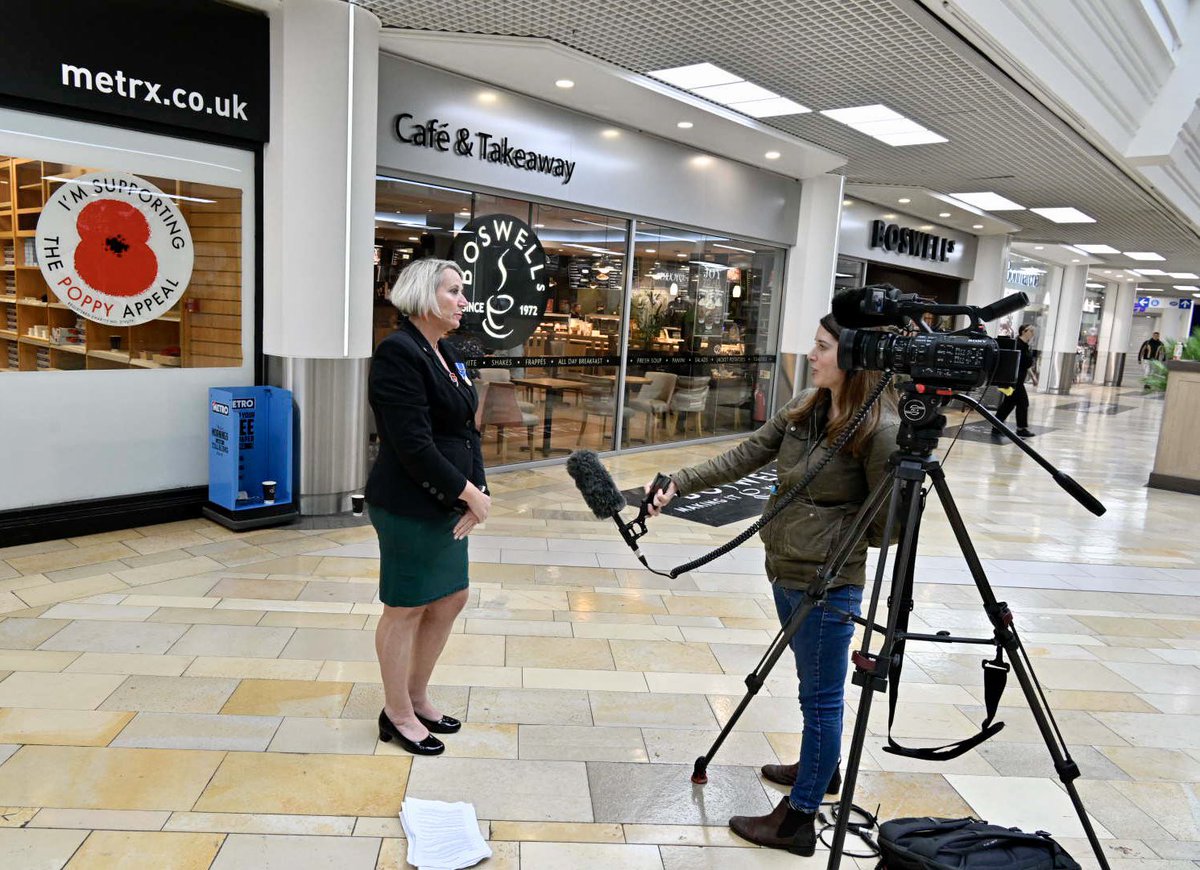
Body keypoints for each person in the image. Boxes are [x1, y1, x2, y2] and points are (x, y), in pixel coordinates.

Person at [644, 313, 898, 856]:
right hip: (785, 566)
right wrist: (677, 483)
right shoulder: (807, 405)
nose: (811, 354)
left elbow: (886, 526)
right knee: (813, 690)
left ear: (853, 359)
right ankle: (818, 771)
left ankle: (798, 821)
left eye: (823, 346)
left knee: (821, 699)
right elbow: (745, 455)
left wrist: (824, 530)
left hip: (828, 582)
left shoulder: (880, 428)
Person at [365, 258, 490, 756]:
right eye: (453, 292)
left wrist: (479, 488)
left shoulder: (449, 352)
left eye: (462, 293)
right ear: (423, 296)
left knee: (450, 597)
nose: (463, 301)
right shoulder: (399, 353)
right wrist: (467, 493)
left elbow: (466, 429)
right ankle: (395, 712)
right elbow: (413, 445)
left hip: (449, 500)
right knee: (406, 606)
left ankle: (416, 696)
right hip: (408, 504)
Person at [993, 324, 1038, 438]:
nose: (1033, 333)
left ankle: (996, 426)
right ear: (1024, 331)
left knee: (1009, 404)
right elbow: (1022, 362)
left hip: (1019, 380)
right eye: (1031, 331)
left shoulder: (1025, 345)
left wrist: (1033, 377)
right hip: (1014, 381)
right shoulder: (1017, 344)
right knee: (1023, 403)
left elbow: (1027, 365)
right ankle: (1021, 429)